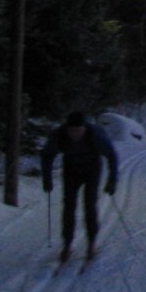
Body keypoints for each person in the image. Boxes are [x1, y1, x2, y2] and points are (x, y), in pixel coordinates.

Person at [41, 112, 118, 263]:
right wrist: (47, 179)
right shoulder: (59, 135)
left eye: (78, 131)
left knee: (89, 204)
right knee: (69, 206)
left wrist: (112, 180)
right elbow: (47, 155)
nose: (75, 134)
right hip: (71, 169)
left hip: (92, 169)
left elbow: (111, 155)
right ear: (67, 129)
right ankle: (67, 243)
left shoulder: (95, 135)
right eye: (72, 131)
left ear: (84, 128)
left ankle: (92, 242)